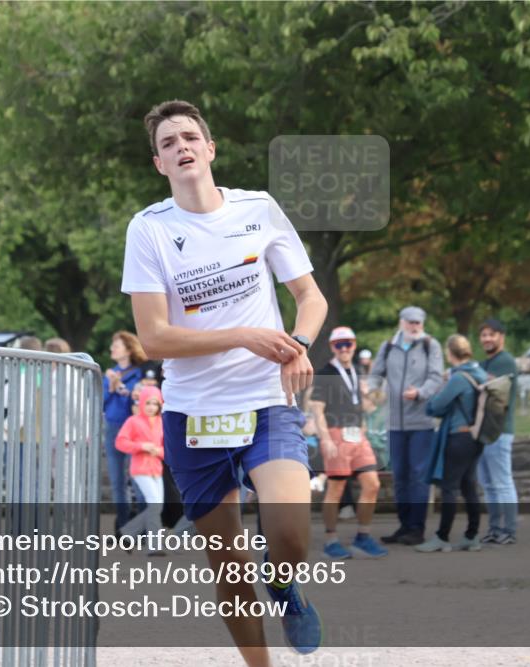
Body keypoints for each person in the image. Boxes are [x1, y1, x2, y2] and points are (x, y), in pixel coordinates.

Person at [122, 99, 327, 663]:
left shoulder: (257, 209)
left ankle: (285, 586)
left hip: (266, 399)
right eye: (168, 143)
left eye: (190, 137)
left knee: (288, 533)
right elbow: (155, 338)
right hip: (193, 414)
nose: (181, 146)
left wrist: (298, 346)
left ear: (210, 149)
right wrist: (243, 334)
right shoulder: (149, 230)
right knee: (230, 566)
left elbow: (310, 297)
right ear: (160, 164)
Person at [309, 326, 387, 559]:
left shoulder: (357, 370)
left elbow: (367, 405)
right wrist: (326, 440)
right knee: (336, 488)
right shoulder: (326, 373)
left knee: (372, 484)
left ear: (354, 345)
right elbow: (316, 409)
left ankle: (363, 536)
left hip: (356, 434)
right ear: (333, 347)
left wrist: (368, 394)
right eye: (339, 345)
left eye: (348, 344)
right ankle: (331, 540)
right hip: (335, 434)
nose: (344, 348)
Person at [368, 306, 444, 546]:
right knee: (400, 475)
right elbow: (376, 373)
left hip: (421, 422)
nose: (414, 327)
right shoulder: (388, 346)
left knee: (419, 476)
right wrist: (371, 389)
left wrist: (420, 393)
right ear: (401, 323)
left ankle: (417, 528)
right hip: (394, 423)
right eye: (410, 322)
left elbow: (436, 377)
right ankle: (404, 525)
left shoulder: (431, 346)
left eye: (418, 323)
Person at [416, 335, 486, 553]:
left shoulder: (458, 379)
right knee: (468, 486)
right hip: (475, 437)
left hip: (458, 437)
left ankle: (442, 537)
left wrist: (440, 389)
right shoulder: (480, 373)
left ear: (450, 353)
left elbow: (435, 406)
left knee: (449, 488)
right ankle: (472, 536)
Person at [476, 318, 519, 545]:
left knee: (502, 482)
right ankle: (494, 529)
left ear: (501, 337)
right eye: (483, 335)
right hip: (484, 432)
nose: (487, 339)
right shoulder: (485, 364)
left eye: (491, 334)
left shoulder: (505, 362)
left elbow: (488, 389)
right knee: (489, 485)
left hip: (499, 431)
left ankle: (509, 530)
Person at [103, 331, 148, 533]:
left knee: (138, 479)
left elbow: (140, 403)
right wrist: (111, 388)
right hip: (112, 428)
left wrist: (122, 388)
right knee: (117, 482)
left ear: (129, 350)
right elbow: (101, 403)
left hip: (134, 428)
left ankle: (141, 528)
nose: (112, 349)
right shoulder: (110, 373)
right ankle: (123, 527)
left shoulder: (140, 374)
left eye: (117, 346)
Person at [115, 386, 167, 555]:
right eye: (148, 403)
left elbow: (168, 449)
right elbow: (120, 442)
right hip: (140, 469)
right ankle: (154, 546)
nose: (152, 406)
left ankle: (126, 533)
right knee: (155, 504)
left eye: (155, 403)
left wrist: (158, 451)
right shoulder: (133, 421)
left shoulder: (162, 422)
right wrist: (141, 446)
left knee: (156, 507)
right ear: (142, 403)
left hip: (156, 469)